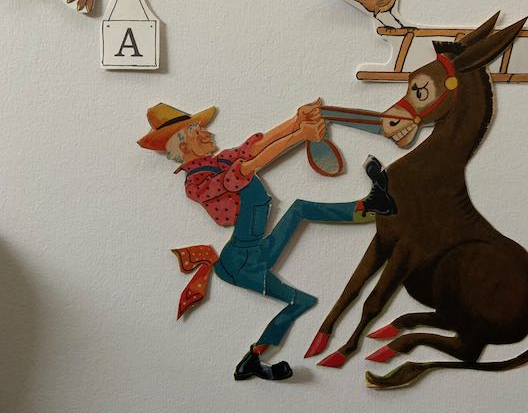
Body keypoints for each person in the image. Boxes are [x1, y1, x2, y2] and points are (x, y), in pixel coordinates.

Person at [138, 99, 395, 381]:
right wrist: (301, 134)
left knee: (299, 211)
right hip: (241, 262)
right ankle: (253, 359)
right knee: (301, 297)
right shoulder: (197, 183)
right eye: (197, 130)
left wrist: (297, 120)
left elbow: (257, 146)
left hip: (253, 251)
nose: (206, 132)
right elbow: (251, 165)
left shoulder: (221, 161)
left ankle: (369, 208)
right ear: (184, 144)